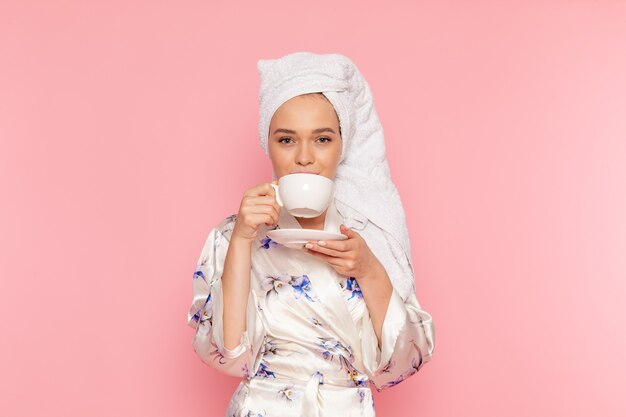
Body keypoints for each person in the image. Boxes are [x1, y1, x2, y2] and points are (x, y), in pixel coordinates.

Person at [187, 52, 435, 417]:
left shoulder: (369, 235)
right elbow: (227, 354)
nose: (305, 157)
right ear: (267, 144)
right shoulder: (235, 233)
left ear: (343, 145)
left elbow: (403, 361)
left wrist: (368, 269)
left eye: (322, 139)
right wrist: (241, 241)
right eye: (287, 140)